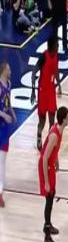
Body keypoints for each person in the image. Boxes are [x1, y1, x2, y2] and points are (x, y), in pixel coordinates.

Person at [39, 106, 68, 242]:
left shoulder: (58, 128)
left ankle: (48, 224)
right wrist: (46, 182)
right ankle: (47, 237)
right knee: (49, 197)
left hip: (50, 165)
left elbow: (52, 151)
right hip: (46, 167)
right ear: (63, 119)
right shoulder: (55, 135)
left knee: (52, 194)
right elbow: (45, 158)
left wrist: (56, 160)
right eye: (67, 117)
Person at [31, 34, 62, 150]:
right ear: (52, 46)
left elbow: (56, 70)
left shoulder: (57, 56)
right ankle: (39, 136)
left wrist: (59, 84)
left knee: (52, 120)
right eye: (57, 44)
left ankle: (49, 144)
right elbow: (34, 72)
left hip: (51, 90)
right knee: (42, 121)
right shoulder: (43, 57)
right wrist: (33, 91)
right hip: (43, 92)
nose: (58, 46)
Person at [0, 63, 15, 208]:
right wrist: (4, 115)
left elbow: (8, 102)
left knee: (2, 162)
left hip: (4, 129)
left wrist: (12, 113)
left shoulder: (9, 84)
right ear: (4, 71)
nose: (10, 71)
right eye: (9, 69)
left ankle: (0, 193)